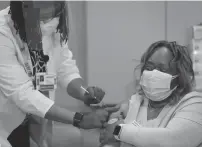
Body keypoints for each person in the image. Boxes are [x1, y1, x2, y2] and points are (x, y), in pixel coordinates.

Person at [0, 1, 119, 147]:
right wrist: (79, 119)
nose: (46, 25)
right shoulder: (3, 33)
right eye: (41, 19)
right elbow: (22, 93)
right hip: (5, 120)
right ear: (23, 10)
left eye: (52, 16)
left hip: (33, 119)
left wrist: (83, 92)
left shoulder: (53, 27)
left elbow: (64, 69)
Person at [100, 41, 202, 147]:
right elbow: (108, 139)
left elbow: (174, 140)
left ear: (180, 77)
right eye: (149, 68)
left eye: (162, 69)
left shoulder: (196, 104)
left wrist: (119, 131)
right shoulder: (134, 103)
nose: (152, 74)